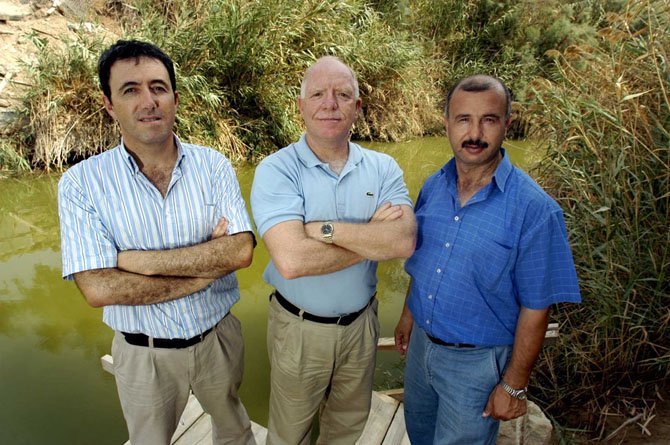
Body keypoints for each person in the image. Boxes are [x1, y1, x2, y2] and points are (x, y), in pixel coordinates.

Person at [58, 40, 256, 445]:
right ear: (109, 104)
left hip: (218, 339)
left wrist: (139, 262)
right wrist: (204, 271)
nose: (148, 101)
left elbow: (239, 251)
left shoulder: (213, 165)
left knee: (235, 431)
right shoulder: (81, 184)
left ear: (175, 98)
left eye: (158, 87)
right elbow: (98, 288)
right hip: (142, 355)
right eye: (130, 90)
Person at [394, 75, 581, 444]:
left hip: (477, 364)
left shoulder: (535, 210)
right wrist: (407, 314)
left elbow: (536, 307)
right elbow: (426, 262)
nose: (475, 133)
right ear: (446, 123)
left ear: (507, 125)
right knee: (419, 435)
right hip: (421, 352)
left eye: (489, 120)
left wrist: (513, 386)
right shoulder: (434, 186)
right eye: (463, 119)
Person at [250, 56, 417, 444]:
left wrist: (325, 230)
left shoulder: (383, 167)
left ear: (357, 107)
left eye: (343, 95)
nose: (330, 104)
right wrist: (373, 238)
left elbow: (404, 239)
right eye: (318, 94)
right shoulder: (277, 169)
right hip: (299, 329)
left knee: (347, 428)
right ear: (301, 106)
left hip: (361, 327)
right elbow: (291, 261)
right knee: (290, 434)